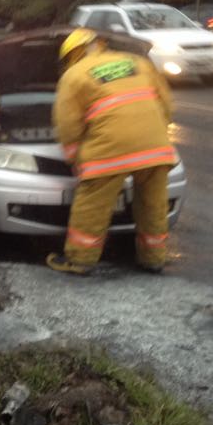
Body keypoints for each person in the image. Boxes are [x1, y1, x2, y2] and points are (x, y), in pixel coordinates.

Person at [47, 28, 177, 275]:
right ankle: (153, 258)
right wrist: (156, 132)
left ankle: (80, 260)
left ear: (72, 54)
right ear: (100, 43)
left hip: (109, 151)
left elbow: (68, 124)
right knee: (153, 204)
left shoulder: (74, 75)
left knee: (92, 205)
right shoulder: (137, 62)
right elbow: (166, 103)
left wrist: (74, 156)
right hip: (155, 148)